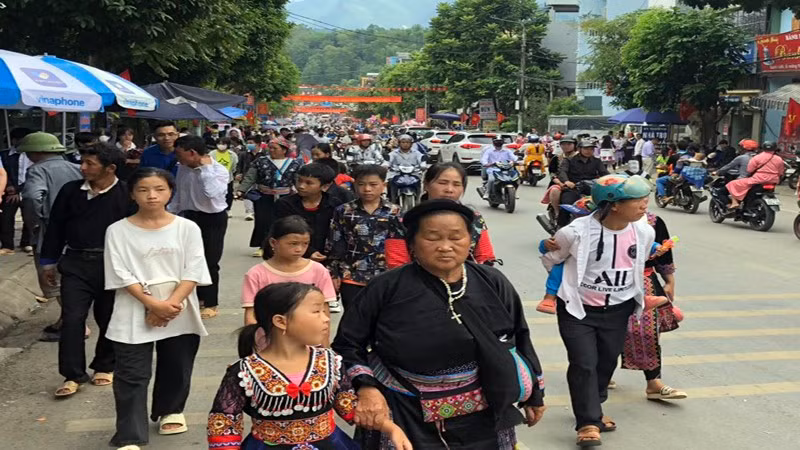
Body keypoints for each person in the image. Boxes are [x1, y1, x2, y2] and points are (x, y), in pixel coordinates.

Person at [332, 200, 546, 449]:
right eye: (432, 238)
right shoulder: (386, 287)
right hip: (404, 408)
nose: (445, 247)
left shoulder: (493, 282)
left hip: (483, 409)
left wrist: (535, 394)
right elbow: (348, 344)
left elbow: (519, 336)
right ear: (412, 243)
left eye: (456, 237)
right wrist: (366, 388)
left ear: (470, 240)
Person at [209, 282, 412, 450]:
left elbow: (349, 407)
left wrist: (390, 428)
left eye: (325, 311)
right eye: (316, 311)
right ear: (281, 321)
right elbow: (224, 426)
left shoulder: (329, 361)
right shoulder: (244, 372)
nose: (326, 319)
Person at [540, 174, 654, 447]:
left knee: (606, 361)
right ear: (614, 205)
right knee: (583, 362)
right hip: (577, 310)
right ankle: (588, 422)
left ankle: (595, 405)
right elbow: (552, 258)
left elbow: (640, 262)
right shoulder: (574, 232)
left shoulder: (644, 231)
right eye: (636, 200)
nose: (644, 204)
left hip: (618, 307)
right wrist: (565, 285)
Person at [103, 167, 209, 448]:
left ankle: (170, 409)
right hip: (134, 303)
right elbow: (119, 272)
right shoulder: (117, 231)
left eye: (159, 189)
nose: (152, 196)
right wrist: (152, 304)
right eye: (143, 190)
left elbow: (194, 269)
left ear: (170, 192)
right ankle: (130, 434)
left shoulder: (187, 228)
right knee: (131, 372)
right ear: (132, 194)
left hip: (179, 304)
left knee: (177, 363)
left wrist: (169, 305)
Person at [38, 143, 129, 397]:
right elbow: (55, 227)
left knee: (108, 317)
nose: (83, 167)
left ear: (110, 168)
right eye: (83, 162)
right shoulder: (71, 191)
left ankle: (104, 365)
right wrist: (48, 261)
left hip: (113, 265)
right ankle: (72, 373)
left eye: (90, 164)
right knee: (73, 318)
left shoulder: (126, 193)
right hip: (75, 263)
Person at [20, 132, 83, 341]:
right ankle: (66, 320)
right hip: (77, 232)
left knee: (52, 278)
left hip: (50, 232)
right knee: (71, 277)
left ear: (36, 152)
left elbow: (31, 197)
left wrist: (35, 223)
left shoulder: (37, 171)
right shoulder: (76, 168)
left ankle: (76, 325)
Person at [621, 212, 687, 401]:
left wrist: (669, 280)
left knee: (647, 331)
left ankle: (653, 382)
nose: (642, 203)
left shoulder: (653, 221)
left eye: (644, 197)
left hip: (645, 279)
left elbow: (665, 253)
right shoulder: (595, 218)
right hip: (604, 282)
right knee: (609, 330)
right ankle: (601, 375)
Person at [386, 162, 497, 268]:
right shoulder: (403, 220)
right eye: (442, 183)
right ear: (426, 185)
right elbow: (397, 263)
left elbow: (485, 257)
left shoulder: (473, 217)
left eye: (457, 184)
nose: (449, 190)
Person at [325, 165, 401, 310]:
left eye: (373, 185)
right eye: (361, 184)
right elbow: (334, 242)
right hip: (351, 276)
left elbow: (400, 245)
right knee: (353, 319)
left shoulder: (394, 212)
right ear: (354, 185)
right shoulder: (344, 211)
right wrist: (333, 273)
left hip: (386, 276)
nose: (367, 189)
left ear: (383, 185)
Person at [241, 217, 337, 330]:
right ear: (273, 242)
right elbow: (251, 313)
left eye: (305, 244)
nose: (299, 249)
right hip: (270, 338)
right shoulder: (256, 274)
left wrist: (323, 344)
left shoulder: (318, 271)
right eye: (293, 244)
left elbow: (324, 310)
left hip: (308, 336)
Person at [171, 135, 230, 319]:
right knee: (188, 260)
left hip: (212, 219)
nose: (177, 159)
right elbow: (179, 194)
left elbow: (212, 193)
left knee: (210, 260)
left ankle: (211, 302)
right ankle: (195, 297)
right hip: (188, 217)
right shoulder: (182, 168)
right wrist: (169, 213)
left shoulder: (219, 171)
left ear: (192, 153)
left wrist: (204, 169)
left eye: (180, 155)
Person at [237, 137, 302, 257]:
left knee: (283, 223)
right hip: (264, 196)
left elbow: (298, 181)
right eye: (270, 148)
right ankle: (263, 246)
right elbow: (250, 177)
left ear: (284, 150)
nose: (271, 150)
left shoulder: (294, 163)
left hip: (285, 197)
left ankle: (283, 247)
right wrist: (241, 190)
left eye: (275, 148)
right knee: (263, 222)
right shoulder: (260, 161)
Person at [275, 163, 343, 264]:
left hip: (326, 258)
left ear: (325, 186)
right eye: (300, 181)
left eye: (309, 183)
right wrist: (309, 252)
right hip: (293, 257)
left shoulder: (335, 205)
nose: (301, 186)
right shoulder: (285, 204)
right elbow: (282, 232)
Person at [556, 139, 610, 226]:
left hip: (592, 188)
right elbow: (562, 172)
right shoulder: (569, 160)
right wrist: (567, 181)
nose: (589, 151)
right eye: (586, 149)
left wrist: (612, 180)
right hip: (574, 188)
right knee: (566, 206)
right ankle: (560, 228)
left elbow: (604, 173)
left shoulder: (597, 161)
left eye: (591, 149)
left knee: (608, 205)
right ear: (579, 149)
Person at [0, 127, 33, 255]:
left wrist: (19, 190)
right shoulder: (4, 155)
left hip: (27, 190)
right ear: (14, 140)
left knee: (29, 217)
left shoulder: (31, 155)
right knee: (5, 218)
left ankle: (27, 242)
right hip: (9, 193)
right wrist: (9, 187)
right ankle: (7, 245)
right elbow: (3, 173)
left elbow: (34, 174)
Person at [725, 141, 784, 209]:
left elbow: (749, 170)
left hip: (758, 180)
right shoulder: (779, 159)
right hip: (773, 181)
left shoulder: (757, 157)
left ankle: (735, 202)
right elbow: (781, 172)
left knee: (732, 183)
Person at [387, 134, 425, 202]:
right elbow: (388, 160)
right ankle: (392, 200)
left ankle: (418, 200)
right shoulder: (394, 153)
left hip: (414, 174)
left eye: (408, 142)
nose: (405, 144)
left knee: (420, 184)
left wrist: (423, 165)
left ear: (411, 144)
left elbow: (422, 160)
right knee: (390, 182)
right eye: (403, 142)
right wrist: (386, 165)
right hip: (397, 174)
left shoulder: (416, 153)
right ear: (399, 143)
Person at [209, 137, 239, 216]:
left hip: (228, 178)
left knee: (229, 194)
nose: (221, 145)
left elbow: (235, 165)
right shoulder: (212, 154)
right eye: (219, 143)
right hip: (215, 178)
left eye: (223, 144)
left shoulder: (232, 155)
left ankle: (228, 209)